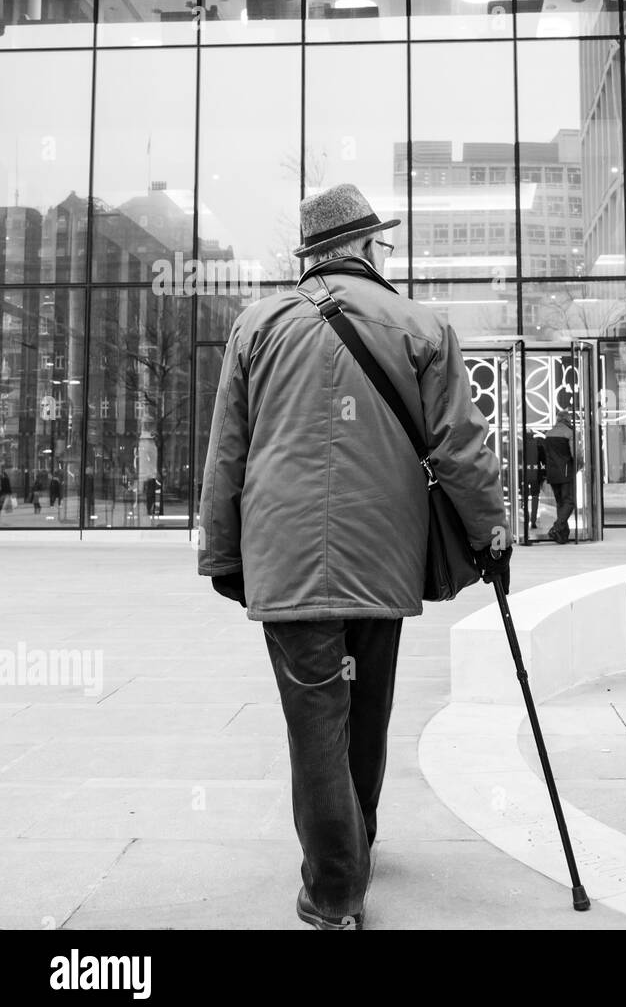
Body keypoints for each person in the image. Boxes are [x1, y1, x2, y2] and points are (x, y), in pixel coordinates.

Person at [198, 183, 511, 931]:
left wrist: (222, 551)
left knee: (316, 722)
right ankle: (352, 851)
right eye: (384, 245)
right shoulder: (421, 325)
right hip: (382, 556)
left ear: (313, 255)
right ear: (368, 248)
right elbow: (461, 448)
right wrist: (490, 532)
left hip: (285, 559)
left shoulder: (255, 327)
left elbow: (226, 455)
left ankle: (334, 890)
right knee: (366, 713)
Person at [543, 419, 580, 544]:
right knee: (569, 502)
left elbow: (545, 454)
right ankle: (556, 528)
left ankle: (562, 536)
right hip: (565, 472)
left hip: (552, 473)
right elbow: (576, 453)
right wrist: (579, 466)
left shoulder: (548, 433)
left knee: (560, 503)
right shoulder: (568, 433)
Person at [522, 429, 547, 530]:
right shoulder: (538, 446)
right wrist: (544, 474)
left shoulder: (521, 446)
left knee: (524, 498)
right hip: (536, 475)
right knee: (535, 497)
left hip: (524, 475)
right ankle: (533, 521)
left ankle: (526, 518)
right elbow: (543, 462)